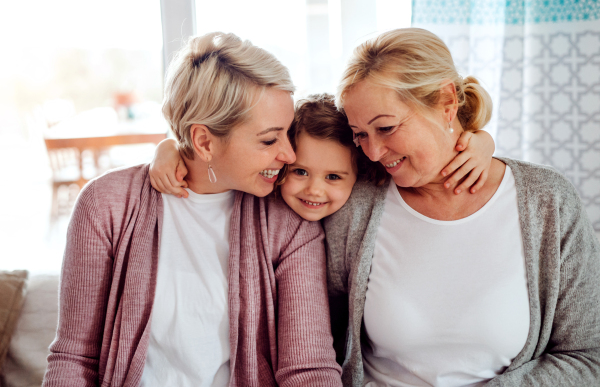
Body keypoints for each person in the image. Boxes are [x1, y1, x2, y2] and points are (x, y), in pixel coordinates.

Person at [43, 32, 343, 387]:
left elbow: (308, 370)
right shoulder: (106, 205)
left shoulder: (289, 220)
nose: (289, 155)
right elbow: (75, 358)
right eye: (268, 139)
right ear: (204, 141)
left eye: (287, 134)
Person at [325, 28, 600, 386]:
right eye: (359, 134)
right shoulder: (355, 203)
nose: (373, 152)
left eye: (387, 128)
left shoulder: (546, 200)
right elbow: (322, 342)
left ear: (447, 102)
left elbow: (587, 357)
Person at [150, 95, 496, 223]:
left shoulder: (367, 181)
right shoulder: (264, 189)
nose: (314, 190)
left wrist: (482, 142)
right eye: (300, 170)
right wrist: (167, 148)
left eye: (333, 177)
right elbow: (229, 157)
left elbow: (409, 153)